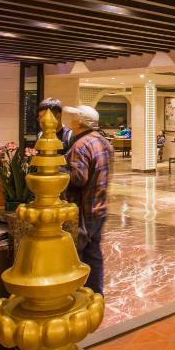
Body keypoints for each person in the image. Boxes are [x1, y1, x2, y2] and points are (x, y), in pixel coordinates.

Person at [63, 105, 114, 295]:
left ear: (79, 122)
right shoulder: (104, 142)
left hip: (84, 210)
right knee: (94, 254)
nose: (71, 122)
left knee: (80, 256)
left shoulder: (81, 145)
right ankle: (96, 294)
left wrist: (59, 171)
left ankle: (81, 295)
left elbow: (78, 178)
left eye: (74, 118)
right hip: (100, 207)